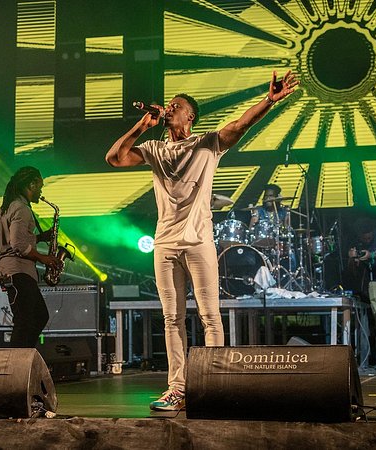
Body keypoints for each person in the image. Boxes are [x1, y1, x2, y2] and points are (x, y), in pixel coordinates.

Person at [106, 70, 299, 410]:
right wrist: (142, 126)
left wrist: (269, 99)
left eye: (175, 105)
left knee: (210, 315)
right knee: (172, 318)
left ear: (189, 116)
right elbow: (115, 158)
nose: (169, 107)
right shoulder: (154, 147)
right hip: (164, 243)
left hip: (198, 242)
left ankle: (212, 385)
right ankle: (177, 388)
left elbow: (240, 125)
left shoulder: (207, 143)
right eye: (168, 104)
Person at [0, 167, 62, 348]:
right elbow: (18, 244)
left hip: (10, 269)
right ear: (31, 184)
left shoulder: (7, 206)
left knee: (31, 318)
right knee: (30, 319)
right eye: (40, 186)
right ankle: (19, 361)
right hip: (18, 270)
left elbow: (13, 239)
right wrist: (43, 258)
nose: (41, 191)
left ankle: (24, 358)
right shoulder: (22, 208)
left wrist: (40, 237)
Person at [346, 218, 376, 366]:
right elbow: (353, 273)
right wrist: (352, 259)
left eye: (369, 237)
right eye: (364, 238)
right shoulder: (357, 244)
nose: (367, 239)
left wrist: (372, 256)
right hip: (372, 283)